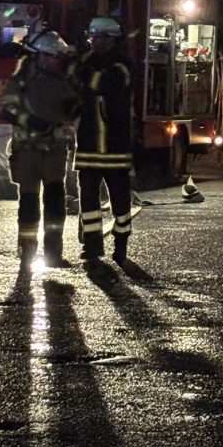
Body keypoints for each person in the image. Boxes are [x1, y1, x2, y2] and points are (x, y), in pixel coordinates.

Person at [0, 30, 80, 275]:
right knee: (29, 203)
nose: (52, 60)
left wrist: (72, 107)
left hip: (54, 150)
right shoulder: (20, 80)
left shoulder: (62, 80)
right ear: (37, 55)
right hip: (28, 150)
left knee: (55, 202)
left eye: (55, 57)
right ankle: (27, 252)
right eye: (49, 56)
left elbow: (73, 106)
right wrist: (30, 121)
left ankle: (54, 253)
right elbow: (7, 109)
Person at [72, 16, 142, 275]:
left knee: (120, 201)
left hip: (115, 147)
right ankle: (91, 246)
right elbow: (75, 93)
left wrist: (85, 81)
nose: (95, 42)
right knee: (88, 200)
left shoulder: (122, 66)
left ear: (112, 39)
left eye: (100, 37)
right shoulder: (87, 63)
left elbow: (108, 89)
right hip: (89, 145)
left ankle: (121, 244)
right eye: (93, 37)